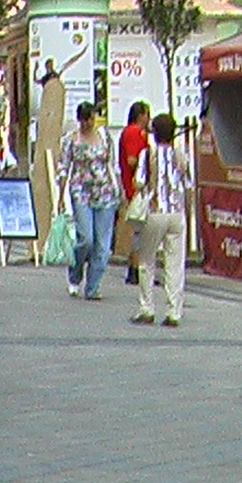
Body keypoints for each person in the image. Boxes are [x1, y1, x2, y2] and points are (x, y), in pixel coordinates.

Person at [131, 112, 192, 328]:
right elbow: (188, 184)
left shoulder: (147, 155)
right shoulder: (181, 155)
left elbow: (139, 182)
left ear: (155, 134)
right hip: (177, 213)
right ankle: (174, 311)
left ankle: (147, 308)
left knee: (147, 261)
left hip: (155, 211)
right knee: (175, 263)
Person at [58, 101, 121, 301]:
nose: (88, 123)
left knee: (103, 244)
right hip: (81, 190)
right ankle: (75, 273)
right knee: (86, 238)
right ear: (79, 120)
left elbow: (112, 164)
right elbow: (64, 167)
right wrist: (60, 196)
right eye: (84, 119)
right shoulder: (71, 140)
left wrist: (119, 189)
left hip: (105, 191)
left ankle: (93, 287)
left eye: (91, 119)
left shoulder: (104, 137)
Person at [119, 101, 151, 285]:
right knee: (141, 230)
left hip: (134, 186)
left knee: (140, 230)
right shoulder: (134, 132)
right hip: (136, 187)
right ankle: (136, 268)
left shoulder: (136, 133)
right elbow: (132, 160)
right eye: (147, 114)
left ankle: (135, 267)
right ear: (141, 115)